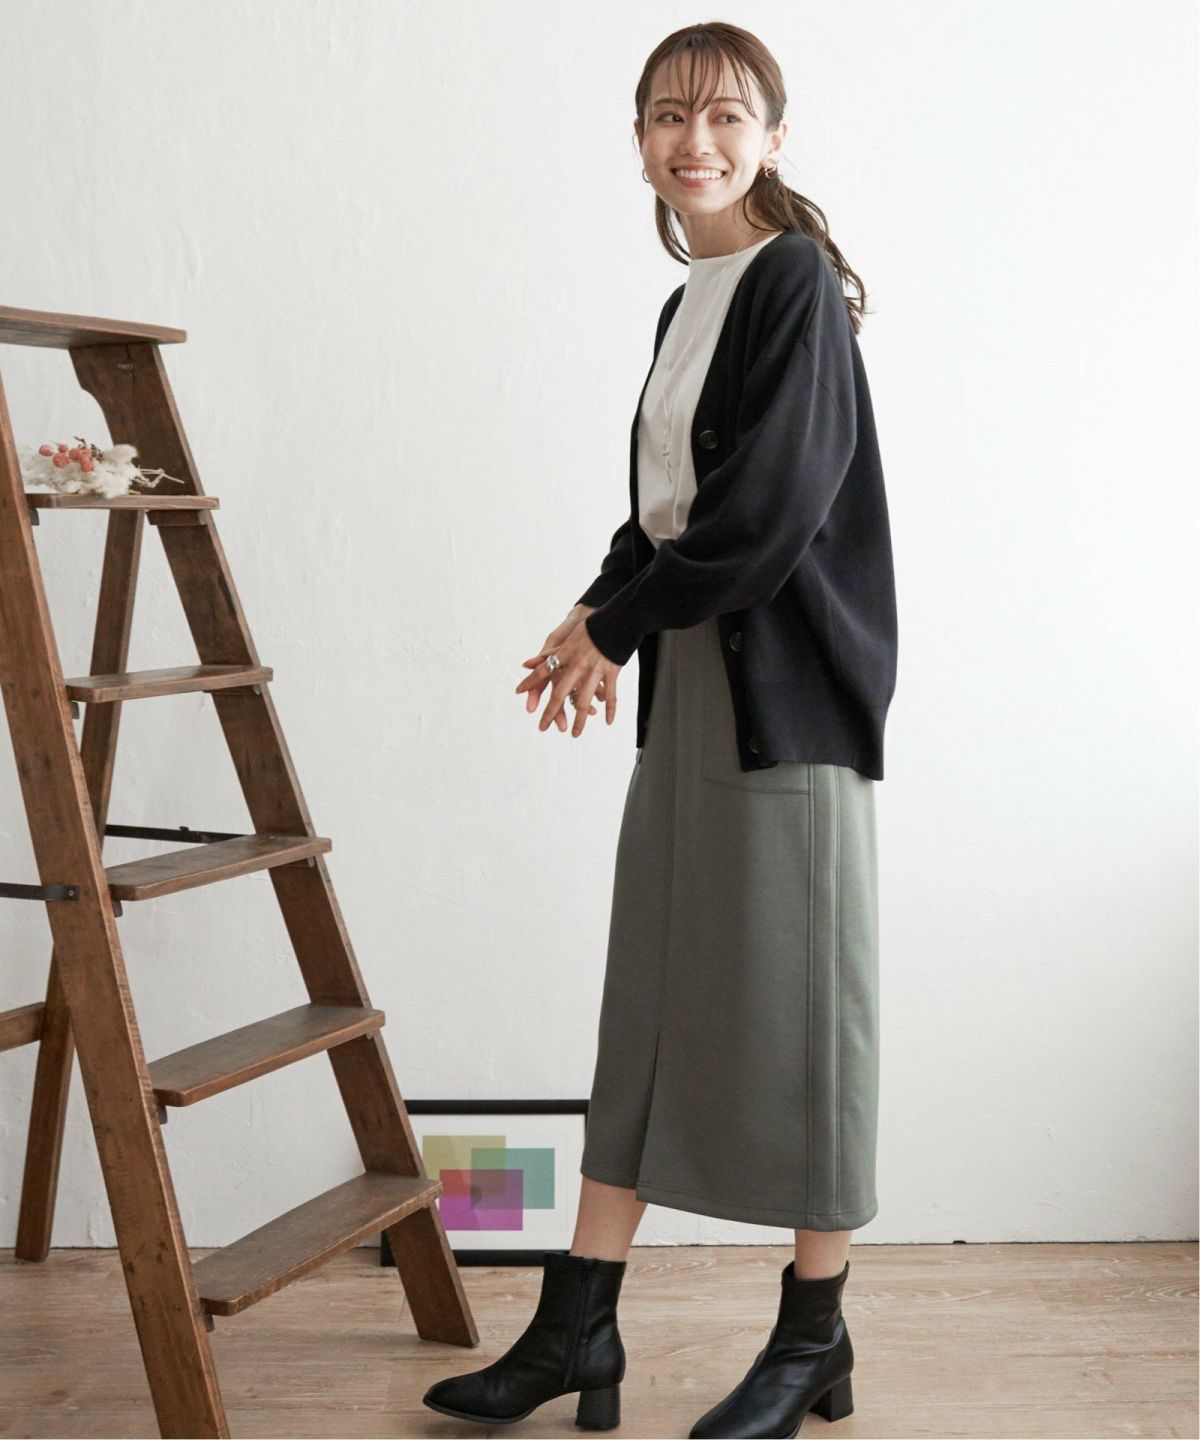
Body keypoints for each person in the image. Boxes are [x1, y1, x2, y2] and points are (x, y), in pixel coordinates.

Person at [423, 20, 897, 1439]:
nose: (696, 140)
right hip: (695, 683)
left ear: (774, 135)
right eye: (668, 116)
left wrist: (620, 626)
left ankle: (813, 1332)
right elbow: (667, 515)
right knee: (646, 1000)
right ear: (638, 139)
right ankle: (581, 1321)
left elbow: (768, 514)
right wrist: (594, 610)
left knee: (805, 1022)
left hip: (784, 701)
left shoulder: (792, 281)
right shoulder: (690, 297)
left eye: (726, 115)